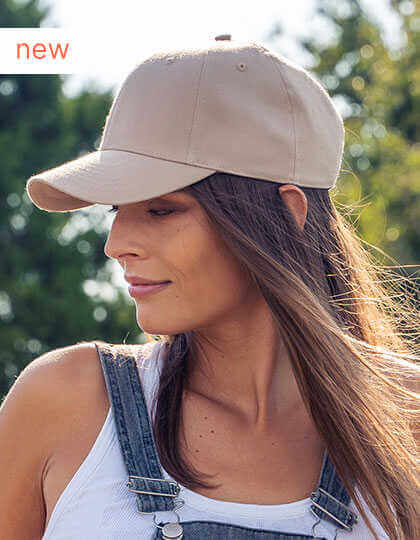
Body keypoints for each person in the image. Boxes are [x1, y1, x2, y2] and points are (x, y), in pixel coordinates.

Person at [1, 35, 418, 540]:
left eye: (161, 210)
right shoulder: (63, 402)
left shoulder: (408, 420)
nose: (116, 244)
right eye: (116, 210)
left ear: (287, 215)